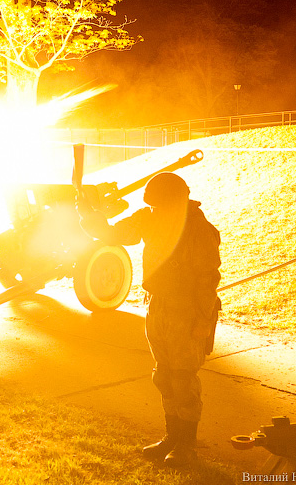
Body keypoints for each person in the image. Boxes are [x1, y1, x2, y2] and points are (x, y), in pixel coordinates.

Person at [77, 172, 221, 468]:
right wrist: (89, 215)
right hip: (158, 306)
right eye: (151, 206)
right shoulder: (152, 217)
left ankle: (186, 444)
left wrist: (203, 321)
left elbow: (208, 279)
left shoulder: (199, 229)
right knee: (164, 375)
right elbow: (115, 234)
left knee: (183, 379)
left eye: (158, 206)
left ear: (175, 202)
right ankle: (171, 437)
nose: (153, 211)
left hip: (187, 311)